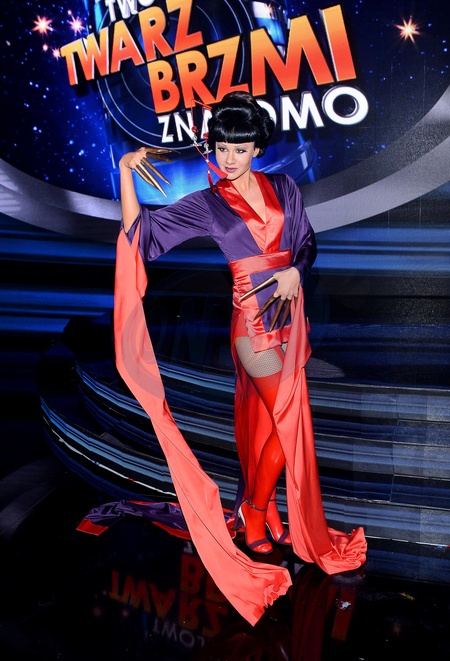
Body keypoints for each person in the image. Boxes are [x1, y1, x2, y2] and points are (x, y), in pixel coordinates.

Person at [113, 91, 367, 626]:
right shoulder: (209, 203)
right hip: (251, 325)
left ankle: (260, 504)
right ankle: (254, 509)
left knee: (275, 425)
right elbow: (141, 236)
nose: (229, 158)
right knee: (288, 418)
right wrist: (125, 172)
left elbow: (306, 242)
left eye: (240, 147)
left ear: (257, 148)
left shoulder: (285, 187)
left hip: (291, 317)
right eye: (222, 147)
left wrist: (296, 269)